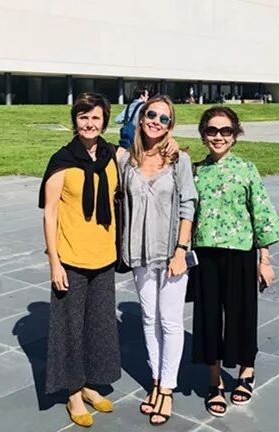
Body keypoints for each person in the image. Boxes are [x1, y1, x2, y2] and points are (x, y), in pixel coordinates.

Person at [188, 106, 279, 417]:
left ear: (235, 135)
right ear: (203, 135)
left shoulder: (246, 169)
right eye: (212, 130)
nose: (218, 137)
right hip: (206, 255)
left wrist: (264, 259)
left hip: (240, 253)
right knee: (208, 318)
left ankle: (246, 371)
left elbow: (262, 214)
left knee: (242, 315)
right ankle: (214, 379)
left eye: (225, 131)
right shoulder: (195, 172)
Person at [39, 92, 122, 428]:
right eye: (83, 117)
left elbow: (148, 154)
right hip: (71, 259)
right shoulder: (62, 161)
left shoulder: (112, 155)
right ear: (75, 121)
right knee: (70, 329)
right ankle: (73, 393)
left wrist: (171, 145)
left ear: (104, 121)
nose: (89, 123)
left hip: (104, 257)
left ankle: (88, 384)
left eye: (95, 117)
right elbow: (50, 214)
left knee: (97, 326)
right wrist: (54, 263)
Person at [118, 95, 197, 426]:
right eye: (151, 115)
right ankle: (155, 379)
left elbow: (188, 205)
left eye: (164, 119)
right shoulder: (125, 159)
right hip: (139, 252)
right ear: (140, 117)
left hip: (171, 254)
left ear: (170, 126)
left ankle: (167, 388)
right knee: (149, 319)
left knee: (170, 321)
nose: (156, 122)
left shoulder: (179, 159)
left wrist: (181, 250)